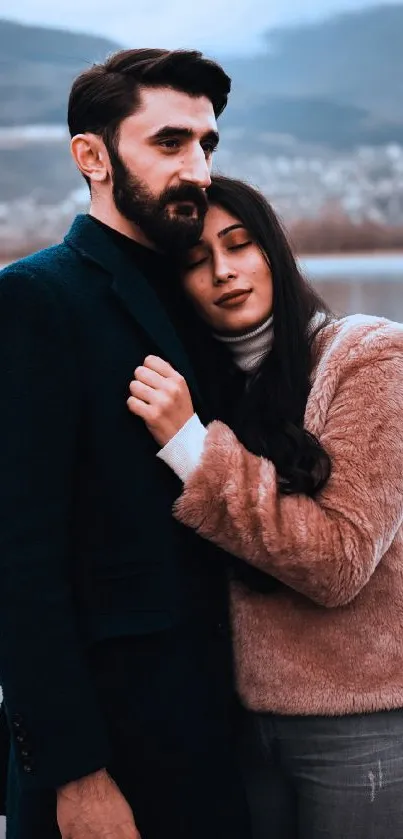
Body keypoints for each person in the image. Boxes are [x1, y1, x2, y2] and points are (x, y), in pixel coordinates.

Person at [0, 55, 252, 839]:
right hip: (111, 764)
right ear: (93, 156)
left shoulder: (205, 297)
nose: (197, 169)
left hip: (221, 744)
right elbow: (18, 557)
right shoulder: (36, 298)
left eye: (207, 144)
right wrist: (77, 775)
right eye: (170, 142)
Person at [128, 175, 403, 839]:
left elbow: (339, 561)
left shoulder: (369, 354)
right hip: (238, 726)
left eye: (239, 244)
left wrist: (194, 451)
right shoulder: (207, 389)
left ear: (272, 250)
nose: (223, 271)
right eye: (196, 261)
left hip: (357, 728)